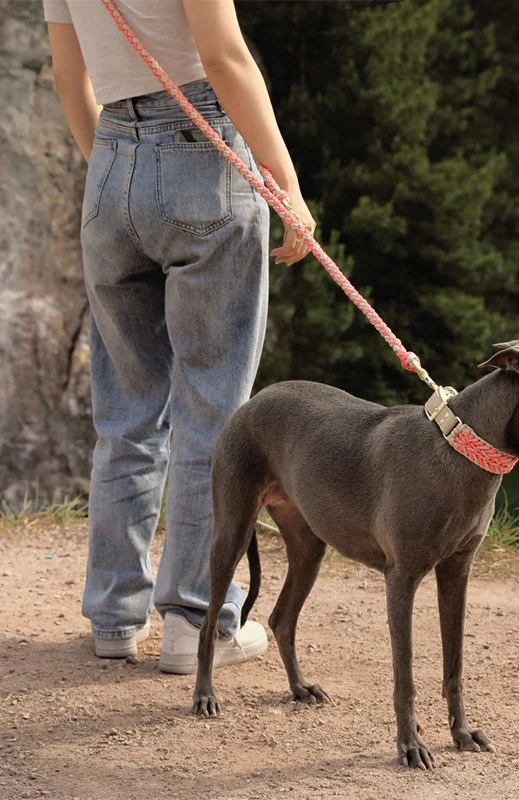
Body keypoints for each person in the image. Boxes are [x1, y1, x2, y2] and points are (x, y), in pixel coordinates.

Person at [44, 0, 315, 673]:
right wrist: (287, 184)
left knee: (126, 413)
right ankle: (196, 624)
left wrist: (120, 174)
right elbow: (222, 57)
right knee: (212, 408)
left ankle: (114, 617)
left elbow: (67, 74)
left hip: (110, 163)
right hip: (201, 149)